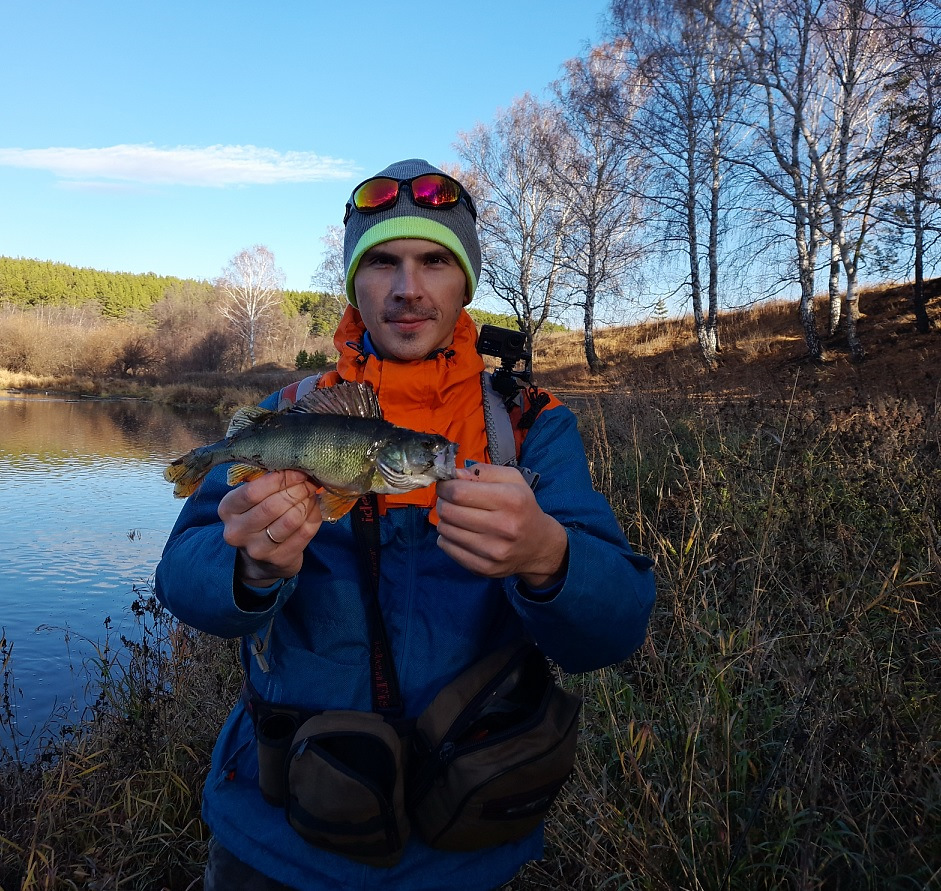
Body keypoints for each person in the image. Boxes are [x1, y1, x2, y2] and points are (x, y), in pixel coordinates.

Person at [154, 158, 656, 891]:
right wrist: (248, 568)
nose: (407, 288)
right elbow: (180, 577)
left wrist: (549, 556)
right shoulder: (292, 411)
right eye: (382, 261)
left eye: (434, 261)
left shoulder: (529, 426)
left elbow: (615, 630)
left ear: (465, 282)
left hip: (460, 850)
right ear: (354, 280)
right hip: (274, 841)